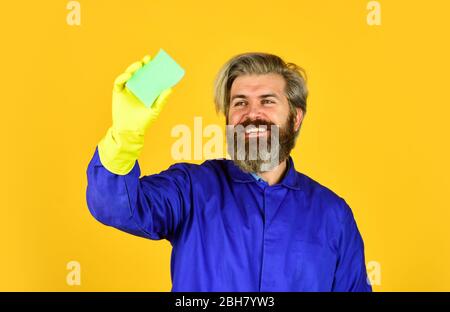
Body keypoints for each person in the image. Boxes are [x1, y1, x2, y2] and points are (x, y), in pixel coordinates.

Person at [86, 52, 372, 292]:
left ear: (295, 118)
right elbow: (114, 206)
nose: (252, 113)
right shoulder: (192, 189)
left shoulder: (333, 215)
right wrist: (124, 137)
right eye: (240, 103)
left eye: (267, 101)